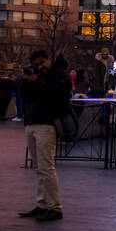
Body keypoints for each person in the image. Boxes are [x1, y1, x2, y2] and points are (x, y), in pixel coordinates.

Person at [17, 50, 72, 222]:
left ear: (49, 59)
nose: (40, 67)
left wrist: (37, 83)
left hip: (47, 124)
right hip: (32, 122)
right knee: (39, 167)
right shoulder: (38, 76)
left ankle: (55, 207)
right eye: (37, 65)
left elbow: (53, 97)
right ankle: (42, 204)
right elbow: (25, 97)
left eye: (42, 63)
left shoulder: (59, 76)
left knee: (46, 167)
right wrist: (27, 82)